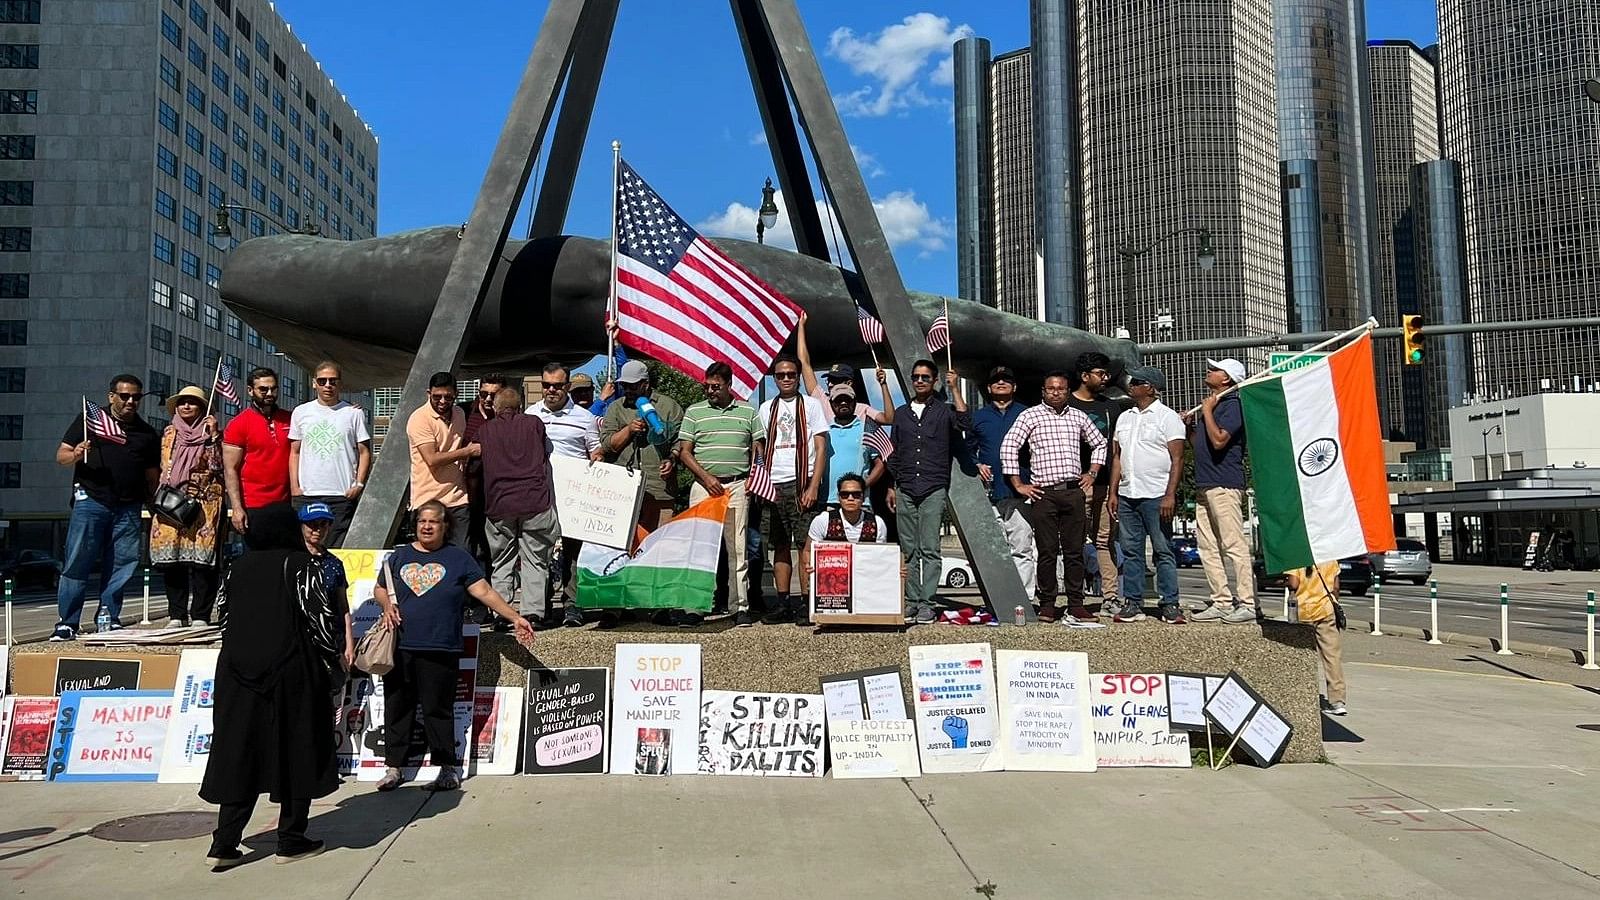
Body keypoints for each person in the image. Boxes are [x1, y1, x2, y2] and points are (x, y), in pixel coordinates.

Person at [200, 505, 343, 869]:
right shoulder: (300, 566)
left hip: (237, 675)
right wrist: (333, 666)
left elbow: (223, 618)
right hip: (292, 674)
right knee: (299, 751)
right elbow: (321, 623)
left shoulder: (236, 568)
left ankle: (225, 844)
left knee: (241, 754)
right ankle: (291, 840)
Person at [372, 502, 533, 791]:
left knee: (438, 710)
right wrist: (386, 606)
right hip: (401, 645)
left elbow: (483, 591)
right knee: (398, 706)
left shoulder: (458, 558)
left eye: (434, 521)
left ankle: (447, 769)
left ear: (446, 526)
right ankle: (394, 767)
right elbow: (380, 587)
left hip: (441, 646)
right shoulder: (398, 557)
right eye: (422, 521)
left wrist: (515, 617)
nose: (427, 526)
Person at [50, 374, 160, 641]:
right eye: (124, 396)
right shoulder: (89, 421)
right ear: (112, 396)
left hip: (129, 507)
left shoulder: (146, 434)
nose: (130, 401)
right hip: (91, 501)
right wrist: (76, 453)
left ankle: (109, 618)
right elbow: (61, 456)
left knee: (121, 565)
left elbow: (152, 475)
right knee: (78, 562)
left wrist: (154, 505)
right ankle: (67, 623)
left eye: (136, 397)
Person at [1001, 370, 1107, 624]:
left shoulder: (1079, 416)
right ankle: (1047, 604)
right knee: (1046, 552)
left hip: (1073, 491)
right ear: (1043, 392)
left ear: (1068, 391)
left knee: (1074, 551)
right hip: (1043, 493)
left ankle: (1076, 603)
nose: (1055, 392)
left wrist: (1092, 472)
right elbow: (1009, 446)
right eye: (1050, 389)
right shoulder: (1030, 415)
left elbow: (1100, 443)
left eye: (1060, 388)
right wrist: (1018, 484)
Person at [677, 361, 765, 626]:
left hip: (738, 485)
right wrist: (706, 478)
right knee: (700, 548)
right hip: (703, 487)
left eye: (716, 387)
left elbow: (757, 446)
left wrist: (755, 477)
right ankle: (695, 607)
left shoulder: (748, 411)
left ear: (729, 385)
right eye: (707, 386)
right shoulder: (695, 412)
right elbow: (684, 451)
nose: (711, 391)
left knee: (738, 549)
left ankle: (739, 607)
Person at [887, 359, 972, 625]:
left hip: (934, 486)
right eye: (916, 377)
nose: (920, 381)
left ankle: (928, 602)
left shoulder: (944, 411)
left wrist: (955, 388)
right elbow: (895, 451)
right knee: (909, 549)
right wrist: (893, 486)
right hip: (906, 486)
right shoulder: (902, 413)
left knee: (930, 549)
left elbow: (966, 423)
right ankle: (912, 601)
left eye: (925, 377)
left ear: (934, 380)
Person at [1106, 366, 1187, 624]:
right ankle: (1133, 601)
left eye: (1137, 382)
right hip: (1129, 493)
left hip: (1156, 493)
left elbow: (1177, 458)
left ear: (1150, 388)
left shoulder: (1167, 417)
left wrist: (1170, 495)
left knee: (1163, 549)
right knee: (1130, 550)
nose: (1131, 385)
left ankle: (1170, 603)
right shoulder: (1125, 417)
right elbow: (1117, 457)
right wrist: (1113, 491)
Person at [480, 387, 562, 628]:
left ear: (495, 408)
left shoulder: (486, 430)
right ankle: (533, 613)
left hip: (499, 504)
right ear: (521, 405)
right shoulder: (534, 424)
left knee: (502, 560)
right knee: (535, 559)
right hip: (534, 501)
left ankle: (501, 613)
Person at [756, 354, 829, 625]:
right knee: (780, 546)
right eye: (780, 375)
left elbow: (821, 448)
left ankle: (806, 602)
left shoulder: (811, 406)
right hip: (774, 485)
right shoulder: (766, 408)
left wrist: (813, 485)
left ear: (798, 376)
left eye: (791, 374)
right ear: (774, 378)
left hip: (802, 483)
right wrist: (760, 480)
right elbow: (760, 448)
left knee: (805, 546)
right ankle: (783, 602)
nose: (786, 379)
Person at [528, 363, 602, 627]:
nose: (551, 390)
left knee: (573, 554)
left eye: (557, 386)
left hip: (574, 498)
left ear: (567, 387)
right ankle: (540, 607)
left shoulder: (585, 418)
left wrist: (598, 460)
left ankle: (573, 606)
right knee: (539, 553)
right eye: (546, 385)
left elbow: (596, 453)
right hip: (540, 496)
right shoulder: (530, 414)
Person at [149, 386, 225, 628]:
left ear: (202, 407)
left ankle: (201, 614)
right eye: (183, 402)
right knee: (173, 562)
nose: (187, 406)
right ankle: (176, 614)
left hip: (204, 503)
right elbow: (163, 467)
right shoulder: (169, 433)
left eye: (193, 402)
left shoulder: (212, 433)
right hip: (172, 503)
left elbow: (217, 467)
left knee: (203, 563)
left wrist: (212, 438)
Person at [1188, 357, 1256, 624]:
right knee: (1207, 546)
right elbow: (1201, 445)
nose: (1209, 371)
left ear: (1227, 378)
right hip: (1205, 483)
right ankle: (1221, 601)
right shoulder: (1215, 406)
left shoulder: (1232, 404)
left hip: (1225, 484)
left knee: (1233, 544)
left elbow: (1219, 441)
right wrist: (1191, 426)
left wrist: (1206, 410)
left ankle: (1248, 602)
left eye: (1215, 369)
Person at [968, 365, 1036, 598]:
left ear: (1014, 386)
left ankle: (1025, 598)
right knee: (994, 549)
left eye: (1006, 379)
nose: (1001, 383)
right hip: (990, 491)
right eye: (996, 380)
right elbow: (968, 451)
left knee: (1022, 547)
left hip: (1022, 491)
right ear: (988, 387)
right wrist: (976, 464)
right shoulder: (978, 417)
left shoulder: (1028, 414)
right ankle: (998, 597)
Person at [1067, 352, 1126, 618]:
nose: (1105, 379)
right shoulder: (1065, 405)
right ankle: (1075, 598)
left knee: (1105, 541)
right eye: (1100, 374)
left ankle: (1111, 596)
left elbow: (1115, 452)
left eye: (1106, 374)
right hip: (1073, 486)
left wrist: (1114, 489)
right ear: (1084, 376)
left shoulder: (1111, 407)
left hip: (1104, 485)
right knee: (1074, 542)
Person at [287, 361, 371, 548]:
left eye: (332, 381)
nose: (328, 385)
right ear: (314, 383)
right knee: (304, 549)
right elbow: (295, 451)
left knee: (336, 550)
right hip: (307, 494)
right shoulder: (301, 412)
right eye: (322, 380)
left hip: (341, 495)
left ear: (340, 384)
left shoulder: (353, 413)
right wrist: (295, 487)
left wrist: (358, 484)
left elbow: (365, 452)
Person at [599, 360, 684, 534]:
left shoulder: (668, 406)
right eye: (624, 385)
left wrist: (672, 459)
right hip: (622, 491)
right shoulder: (616, 408)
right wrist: (629, 429)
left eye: (633, 386)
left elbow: (682, 441)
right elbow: (607, 445)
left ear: (646, 384)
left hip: (659, 490)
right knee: (622, 546)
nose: (628, 390)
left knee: (658, 547)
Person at [405, 372, 478, 545]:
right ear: (428, 393)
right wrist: (467, 452)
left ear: (456, 395)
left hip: (458, 499)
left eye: (448, 397)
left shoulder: (460, 414)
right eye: (437, 397)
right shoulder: (419, 419)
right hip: (427, 500)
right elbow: (432, 459)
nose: (443, 401)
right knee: (431, 556)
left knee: (460, 556)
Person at [223, 367, 293, 545]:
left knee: (285, 558)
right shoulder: (238, 424)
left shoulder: (291, 419)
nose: (269, 393)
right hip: (254, 505)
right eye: (263, 389)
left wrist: (344, 412)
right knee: (258, 562)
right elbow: (230, 470)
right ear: (250, 390)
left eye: (273, 388)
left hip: (287, 504)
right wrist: (237, 508)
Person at [795, 311, 893, 425]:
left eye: (835, 380)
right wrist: (801, 326)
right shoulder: (822, 400)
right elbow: (804, 362)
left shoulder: (862, 410)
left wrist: (883, 384)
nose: (830, 384)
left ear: (849, 383)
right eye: (829, 380)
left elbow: (889, 419)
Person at [460, 373, 510, 577]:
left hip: (497, 495)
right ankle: (472, 601)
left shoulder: (509, 419)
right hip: (466, 493)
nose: (488, 399)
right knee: (468, 548)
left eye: (494, 395)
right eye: (484, 394)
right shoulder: (463, 413)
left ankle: (488, 599)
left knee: (493, 550)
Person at [298, 502, 354, 673]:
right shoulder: (293, 560)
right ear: (301, 525)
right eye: (312, 524)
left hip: (330, 640)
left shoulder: (335, 563)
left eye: (323, 524)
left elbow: (343, 606)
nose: (318, 529)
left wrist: (349, 642)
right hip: (300, 640)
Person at [1286, 560, 1347, 715]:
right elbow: (1336, 587)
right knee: (1332, 657)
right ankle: (1337, 700)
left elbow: (1294, 584)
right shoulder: (1330, 559)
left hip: (1304, 611)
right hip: (1325, 611)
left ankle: (1302, 694)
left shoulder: (1297, 558)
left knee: (1302, 655)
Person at [821, 381, 889, 508]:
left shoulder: (867, 428)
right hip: (828, 501)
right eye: (838, 400)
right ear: (831, 404)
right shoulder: (823, 431)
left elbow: (880, 464)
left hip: (860, 502)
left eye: (847, 400)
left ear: (854, 402)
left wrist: (862, 485)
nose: (843, 403)